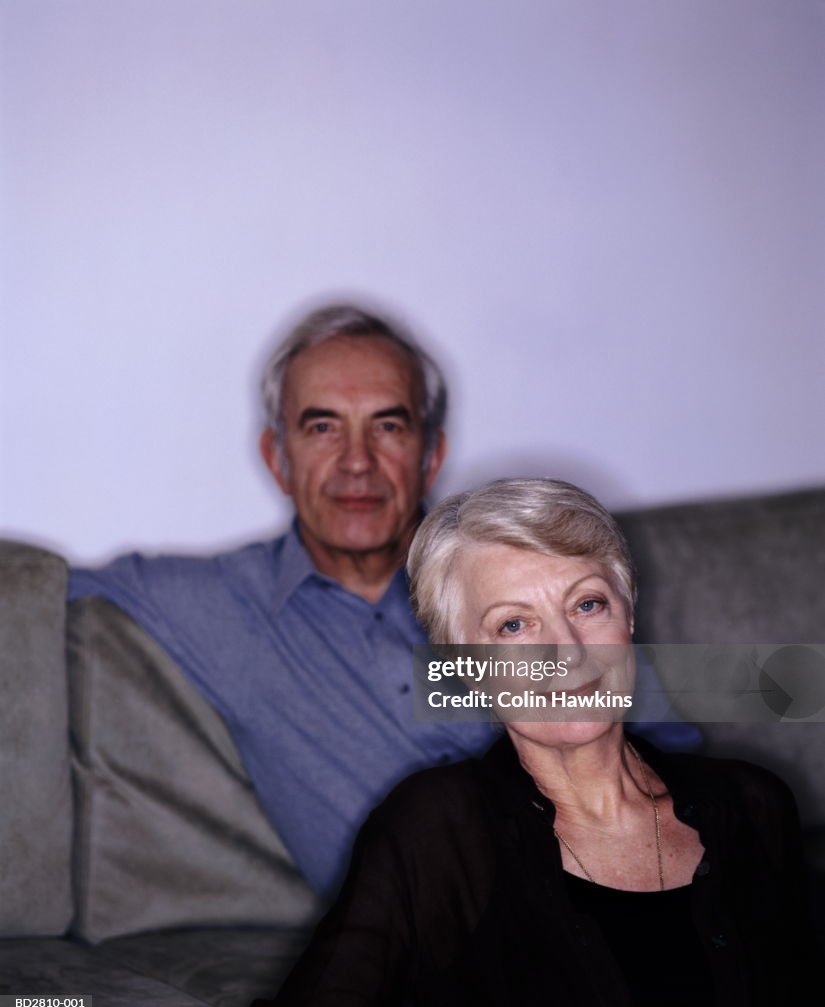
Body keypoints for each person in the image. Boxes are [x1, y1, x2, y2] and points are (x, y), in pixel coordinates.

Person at [68, 304, 698, 899]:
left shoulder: (524, 575)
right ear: (276, 457)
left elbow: (678, 762)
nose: (358, 463)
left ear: (431, 456)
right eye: (322, 427)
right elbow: (36, 590)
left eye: (388, 425)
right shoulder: (216, 603)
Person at [252, 478, 818, 1007]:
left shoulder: (753, 802)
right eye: (515, 625)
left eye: (588, 605)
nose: (567, 653)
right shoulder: (436, 830)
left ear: (629, 616)